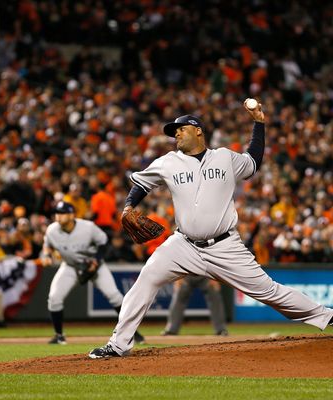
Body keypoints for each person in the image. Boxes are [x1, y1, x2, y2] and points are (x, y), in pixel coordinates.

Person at [89, 100, 333, 358]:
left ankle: (328, 317)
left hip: (225, 246)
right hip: (183, 245)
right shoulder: (168, 162)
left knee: (269, 291)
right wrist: (128, 207)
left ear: (198, 131)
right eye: (174, 132)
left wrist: (258, 123)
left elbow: (253, 161)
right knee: (146, 278)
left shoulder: (225, 157)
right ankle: (118, 345)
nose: (176, 134)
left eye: (180, 129)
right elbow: (142, 184)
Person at [42, 200, 145, 345]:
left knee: (114, 296)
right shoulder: (52, 230)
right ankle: (58, 336)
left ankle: (133, 332)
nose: (58, 216)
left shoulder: (87, 227)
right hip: (70, 266)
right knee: (54, 298)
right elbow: (47, 245)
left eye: (63, 213)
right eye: (57, 213)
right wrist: (46, 255)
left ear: (72, 215)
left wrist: (96, 260)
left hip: (95, 266)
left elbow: (103, 242)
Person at [162, 276, 228, 336]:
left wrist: (214, 277)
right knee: (179, 294)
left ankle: (221, 329)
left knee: (214, 294)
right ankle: (171, 329)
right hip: (187, 274)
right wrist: (178, 277)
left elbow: (214, 262)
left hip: (205, 273)